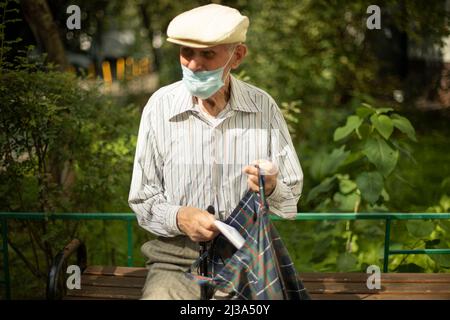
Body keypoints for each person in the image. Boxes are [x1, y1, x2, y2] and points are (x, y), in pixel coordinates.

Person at [128, 3, 303, 300]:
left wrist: (271, 186)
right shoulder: (160, 107)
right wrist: (179, 216)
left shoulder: (264, 107)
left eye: (207, 54)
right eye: (186, 52)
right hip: (175, 260)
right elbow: (143, 198)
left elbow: (292, 193)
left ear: (237, 56)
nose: (194, 64)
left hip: (246, 256)